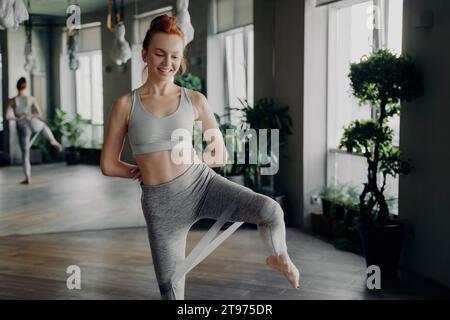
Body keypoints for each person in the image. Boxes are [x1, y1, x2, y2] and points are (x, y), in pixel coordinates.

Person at [100, 14, 300, 300]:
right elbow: (108, 164)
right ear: (144, 54)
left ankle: (279, 257)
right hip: (160, 204)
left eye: (174, 56)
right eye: (159, 54)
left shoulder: (194, 100)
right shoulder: (124, 105)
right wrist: (136, 171)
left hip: (202, 185)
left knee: (270, 211)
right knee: (170, 290)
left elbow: (220, 154)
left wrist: (193, 158)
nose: (167, 62)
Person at [5, 77, 63, 185]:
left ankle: (28, 178)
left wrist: (17, 118)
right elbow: (39, 114)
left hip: (22, 125)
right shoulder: (30, 98)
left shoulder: (12, 100)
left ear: (17, 86)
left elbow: (7, 116)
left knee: (25, 153)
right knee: (44, 126)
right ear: (25, 86)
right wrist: (30, 115)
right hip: (32, 121)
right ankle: (52, 140)